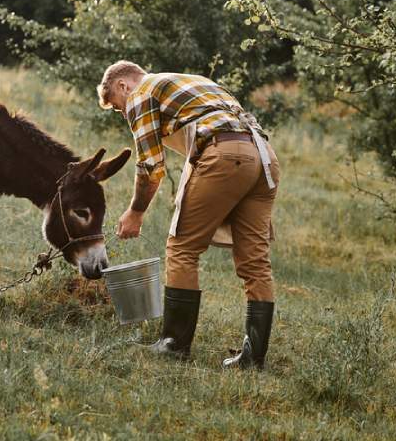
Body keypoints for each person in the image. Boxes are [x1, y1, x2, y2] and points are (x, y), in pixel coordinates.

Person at [97, 61, 281, 369]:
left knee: (181, 247)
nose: (123, 113)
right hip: (264, 159)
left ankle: (174, 345)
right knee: (255, 261)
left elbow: (150, 166)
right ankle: (254, 358)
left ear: (122, 86)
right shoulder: (193, 81)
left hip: (225, 154)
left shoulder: (141, 92)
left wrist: (136, 211)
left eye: (118, 107)